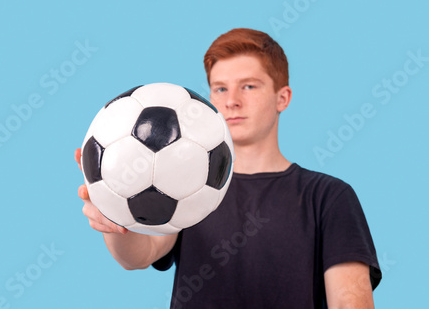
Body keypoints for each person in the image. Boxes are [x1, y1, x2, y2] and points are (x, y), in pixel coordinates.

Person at [74, 28, 382, 308]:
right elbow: (138, 255)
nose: (232, 101)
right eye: (220, 89)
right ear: (208, 102)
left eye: (248, 86)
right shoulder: (182, 183)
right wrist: (110, 213)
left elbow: (350, 303)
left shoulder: (328, 196)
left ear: (282, 97)